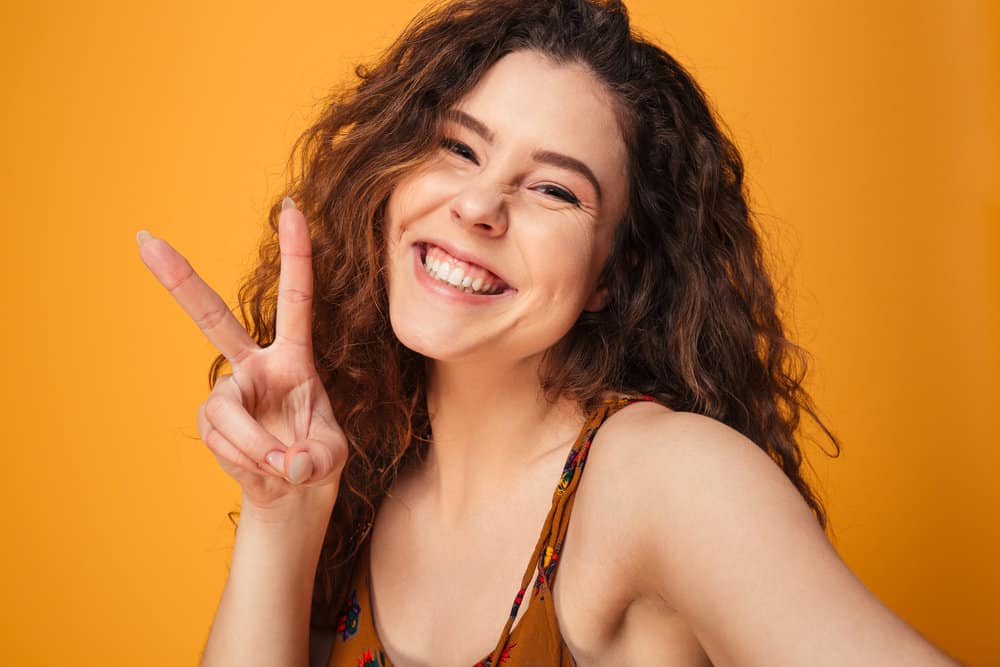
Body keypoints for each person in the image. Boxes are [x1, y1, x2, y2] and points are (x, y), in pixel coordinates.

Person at [137, 0, 961, 665]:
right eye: (459, 148)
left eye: (556, 191)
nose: (478, 206)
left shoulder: (664, 478)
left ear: (610, 274)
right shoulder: (361, 471)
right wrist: (283, 513)